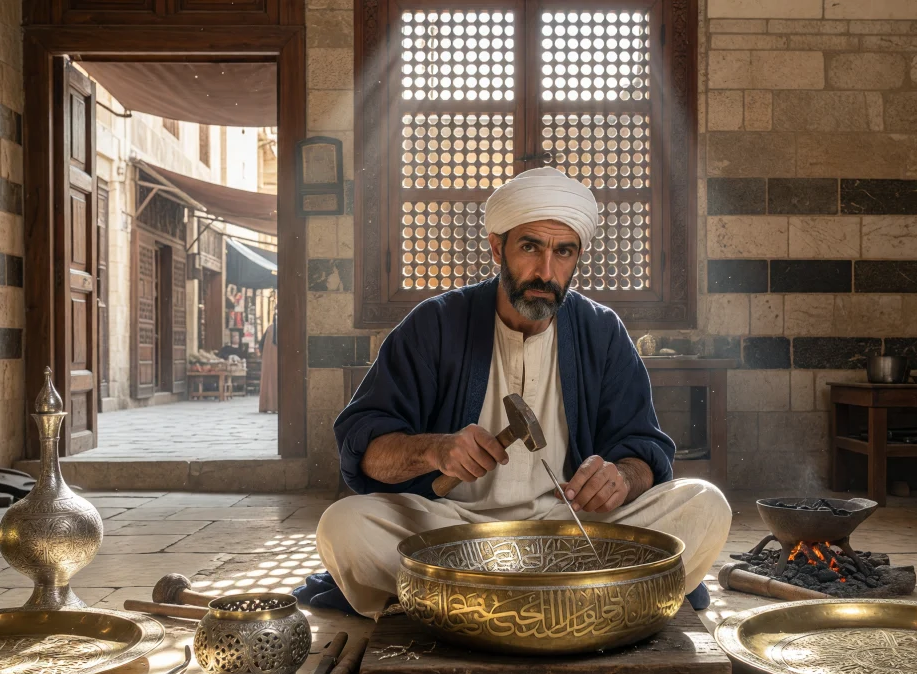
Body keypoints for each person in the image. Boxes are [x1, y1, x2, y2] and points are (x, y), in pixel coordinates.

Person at [300, 167, 731, 617]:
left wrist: (622, 478)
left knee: (704, 504)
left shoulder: (602, 332)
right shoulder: (436, 324)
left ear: (578, 256)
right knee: (344, 526)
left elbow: (642, 446)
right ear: (496, 247)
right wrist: (435, 451)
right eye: (530, 247)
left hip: (570, 530)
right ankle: (581, 605)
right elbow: (365, 447)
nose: (546, 272)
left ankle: (465, 608)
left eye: (563, 252)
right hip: (455, 530)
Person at [258, 317, 278, 414]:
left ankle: (267, 405)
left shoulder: (270, 328)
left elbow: (260, 345)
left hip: (269, 361)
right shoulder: (272, 329)